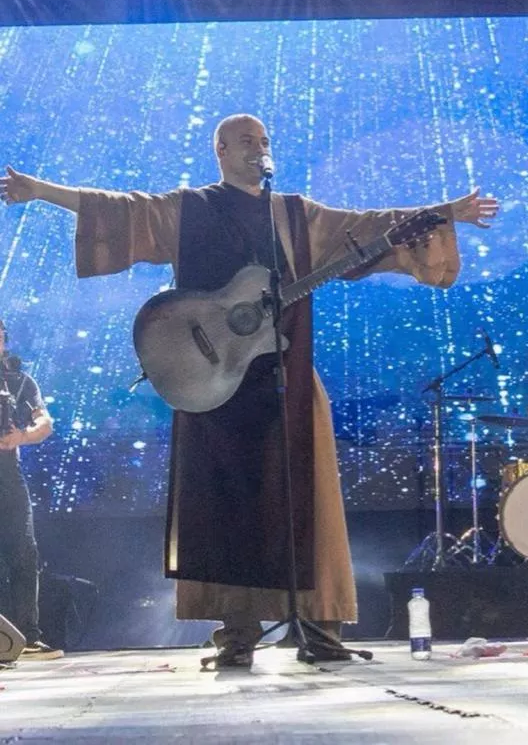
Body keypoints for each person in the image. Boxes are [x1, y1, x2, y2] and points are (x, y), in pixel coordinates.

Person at [1, 113, 498, 668]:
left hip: (285, 375)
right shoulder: (190, 208)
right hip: (209, 379)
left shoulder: (295, 214)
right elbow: (121, 210)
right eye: (245, 141)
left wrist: (445, 212)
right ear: (219, 150)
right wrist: (40, 190)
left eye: (263, 141)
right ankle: (237, 632)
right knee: (220, 506)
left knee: (307, 498)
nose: (258, 149)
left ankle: (319, 627)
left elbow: (367, 226)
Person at [0, 319, 63, 660]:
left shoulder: (19, 381)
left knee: (23, 553)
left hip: (7, 477)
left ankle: (27, 638)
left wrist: (21, 436)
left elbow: (45, 423)